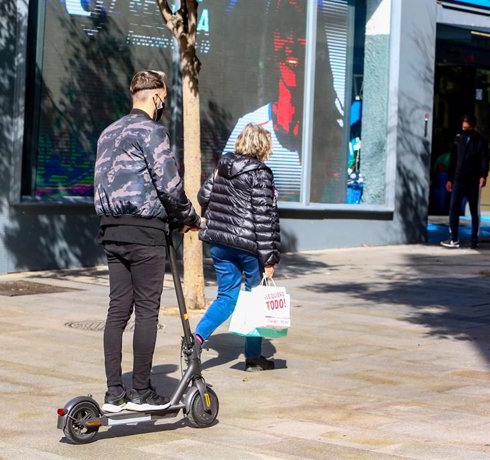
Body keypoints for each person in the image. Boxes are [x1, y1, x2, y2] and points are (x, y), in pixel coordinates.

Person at [93, 70, 201, 412]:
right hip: (144, 233)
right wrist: (188, 218)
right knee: (147, 312)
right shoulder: (153, 132)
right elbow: (168, 185)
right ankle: (140, 391)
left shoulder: (107, 132)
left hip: (111, 230)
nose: (165, 104)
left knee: (117, 310)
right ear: (156, 97)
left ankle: (114, 394)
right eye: (164, 98)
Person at [223, 0, 344, 203]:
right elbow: (226, 192)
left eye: (300, 30)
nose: (291, 43)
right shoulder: (251, 125)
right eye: (282, 30)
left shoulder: (333, 134)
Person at [195, 123, 281, 372]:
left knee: (226, 297)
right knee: (256, 300)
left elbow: (203, 196)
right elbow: (264, 218)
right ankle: (253, 357)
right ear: (263, 146)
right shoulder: (260, 173)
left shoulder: (223, 167)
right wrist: (269, 259)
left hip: (220, 243)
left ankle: (196, 340)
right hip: (249, 246)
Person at [441, 114, 489, 250]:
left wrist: (483, 175)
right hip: (458, 179)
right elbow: (453, 159)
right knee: (454, 208)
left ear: (474, 127)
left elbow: (485, 159)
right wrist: (450, 178)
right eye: (463, 127)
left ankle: (474, 239)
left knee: (474, 210)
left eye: (467, 128)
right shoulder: (458, 139)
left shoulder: (481, 141)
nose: (465, 130)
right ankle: (454, 238)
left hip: (473, 181)